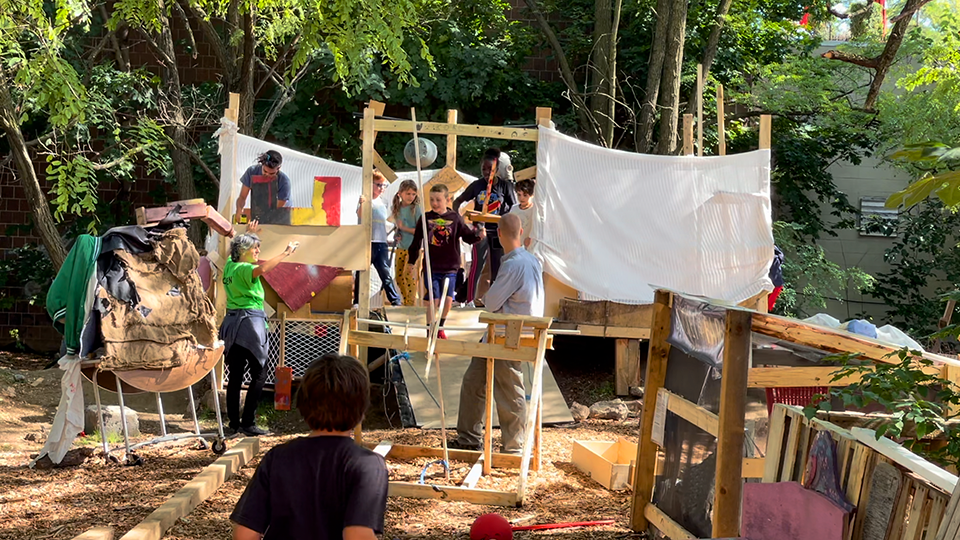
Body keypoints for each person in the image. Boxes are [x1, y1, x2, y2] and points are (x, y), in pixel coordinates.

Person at [230, 353, 388, 540]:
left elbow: (245, 533)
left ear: (303, 402)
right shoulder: (369, 465)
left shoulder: (277, 458)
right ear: (362, 408)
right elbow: (357, 534)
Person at [450, 213, 543, 453]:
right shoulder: (530, 260)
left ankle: (514, 446)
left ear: (499, 234)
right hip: (500, 332)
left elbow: (491, 303)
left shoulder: (513, 264)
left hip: (508, 333)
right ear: (521, 232)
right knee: (474, 382)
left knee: (509, 388)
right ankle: (468, 438)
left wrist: (489, 292)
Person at [221, 221, 299, 436]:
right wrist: (286, 253)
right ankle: (248, 422)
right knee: (259, 371)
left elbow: (234, 249)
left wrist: (249, 234)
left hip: (231, 324)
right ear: (244, 251)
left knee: (235, 375)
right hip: (250, 324)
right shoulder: (246, 269)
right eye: (255, 248)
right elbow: (262, 269)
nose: (258, 251)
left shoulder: (230, 265)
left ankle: (233, 424)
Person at [408, 184, 483, 339]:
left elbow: (468, 236)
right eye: (432, 200)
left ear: (447, 200)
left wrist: (479, 235)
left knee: (448, 299)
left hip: (450, 266)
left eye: (438, 200)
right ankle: (430, 329)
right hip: (432, 267)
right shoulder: (425, 218)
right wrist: (411, 261)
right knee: (433, 300)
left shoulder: (455, 218)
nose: (435, 203)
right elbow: (416, 243)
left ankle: (440, 326)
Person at [453, 148, 516, 306]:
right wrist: (460, 221)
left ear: (497, 169)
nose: (486, 172)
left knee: (497, 266)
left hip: (498, 232)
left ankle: (496, 302)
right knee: (476, 266)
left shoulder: (505, 186)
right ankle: (469, 301)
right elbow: (457, 202)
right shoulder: (477, 185)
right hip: (480, 230)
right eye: (483, 169)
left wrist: (505, 220)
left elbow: (514, 207)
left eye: (490, 169)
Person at [357, 170, 402, 307]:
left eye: (384, 185)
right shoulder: (364, 199)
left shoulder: (383, 202)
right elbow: (359, 215)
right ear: (370, 184)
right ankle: (357, 301)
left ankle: (395, 300)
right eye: (378, 185)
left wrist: (395, 230)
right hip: (367, 242)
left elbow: (383, 223)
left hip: (381, 242)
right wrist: (362, 204)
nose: (381, 188)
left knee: (385, 271)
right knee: (361, 272)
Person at [390, 180, 422, 306]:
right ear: (400, 194)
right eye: (408, 193)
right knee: (398, 277)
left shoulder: (416, 209)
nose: (411, 197)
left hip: (413, 248)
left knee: (409, 276)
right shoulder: (397, 208)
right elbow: (398, 228)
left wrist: (404, 228)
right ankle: (406, 300)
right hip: (401, 246)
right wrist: (397, 234)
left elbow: (420, 231)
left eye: (413, 194)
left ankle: (410, 303)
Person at [235, 150, 291, 221]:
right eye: (265, 171)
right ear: (262, 165)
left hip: (280, 215)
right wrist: (239, 209)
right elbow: (242, 197)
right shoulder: (252, 172)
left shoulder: (284, 181)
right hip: (261, 212)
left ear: (278, 168)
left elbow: (278, 206)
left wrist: (260, 217)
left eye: (271, 174)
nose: (267, 175)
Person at [508, 179, 536, 249]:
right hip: (516, 246)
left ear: (531, 195)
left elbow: (538, 228)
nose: (521, 198)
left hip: (531, 247)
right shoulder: (514, 209)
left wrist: (531, 237)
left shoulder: (535, 210)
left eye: (525, 195)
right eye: (519, 195)